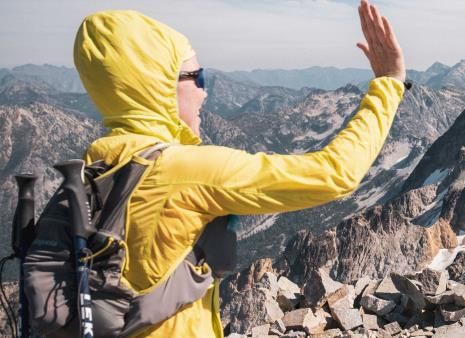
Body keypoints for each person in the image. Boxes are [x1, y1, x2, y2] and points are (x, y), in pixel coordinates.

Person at [71, 1, 405, 336]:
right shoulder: (184, 172)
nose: (204, 92)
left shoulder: (92, 169)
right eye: (196, 77)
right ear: (159, 84)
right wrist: (389, 83)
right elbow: (334, 172)